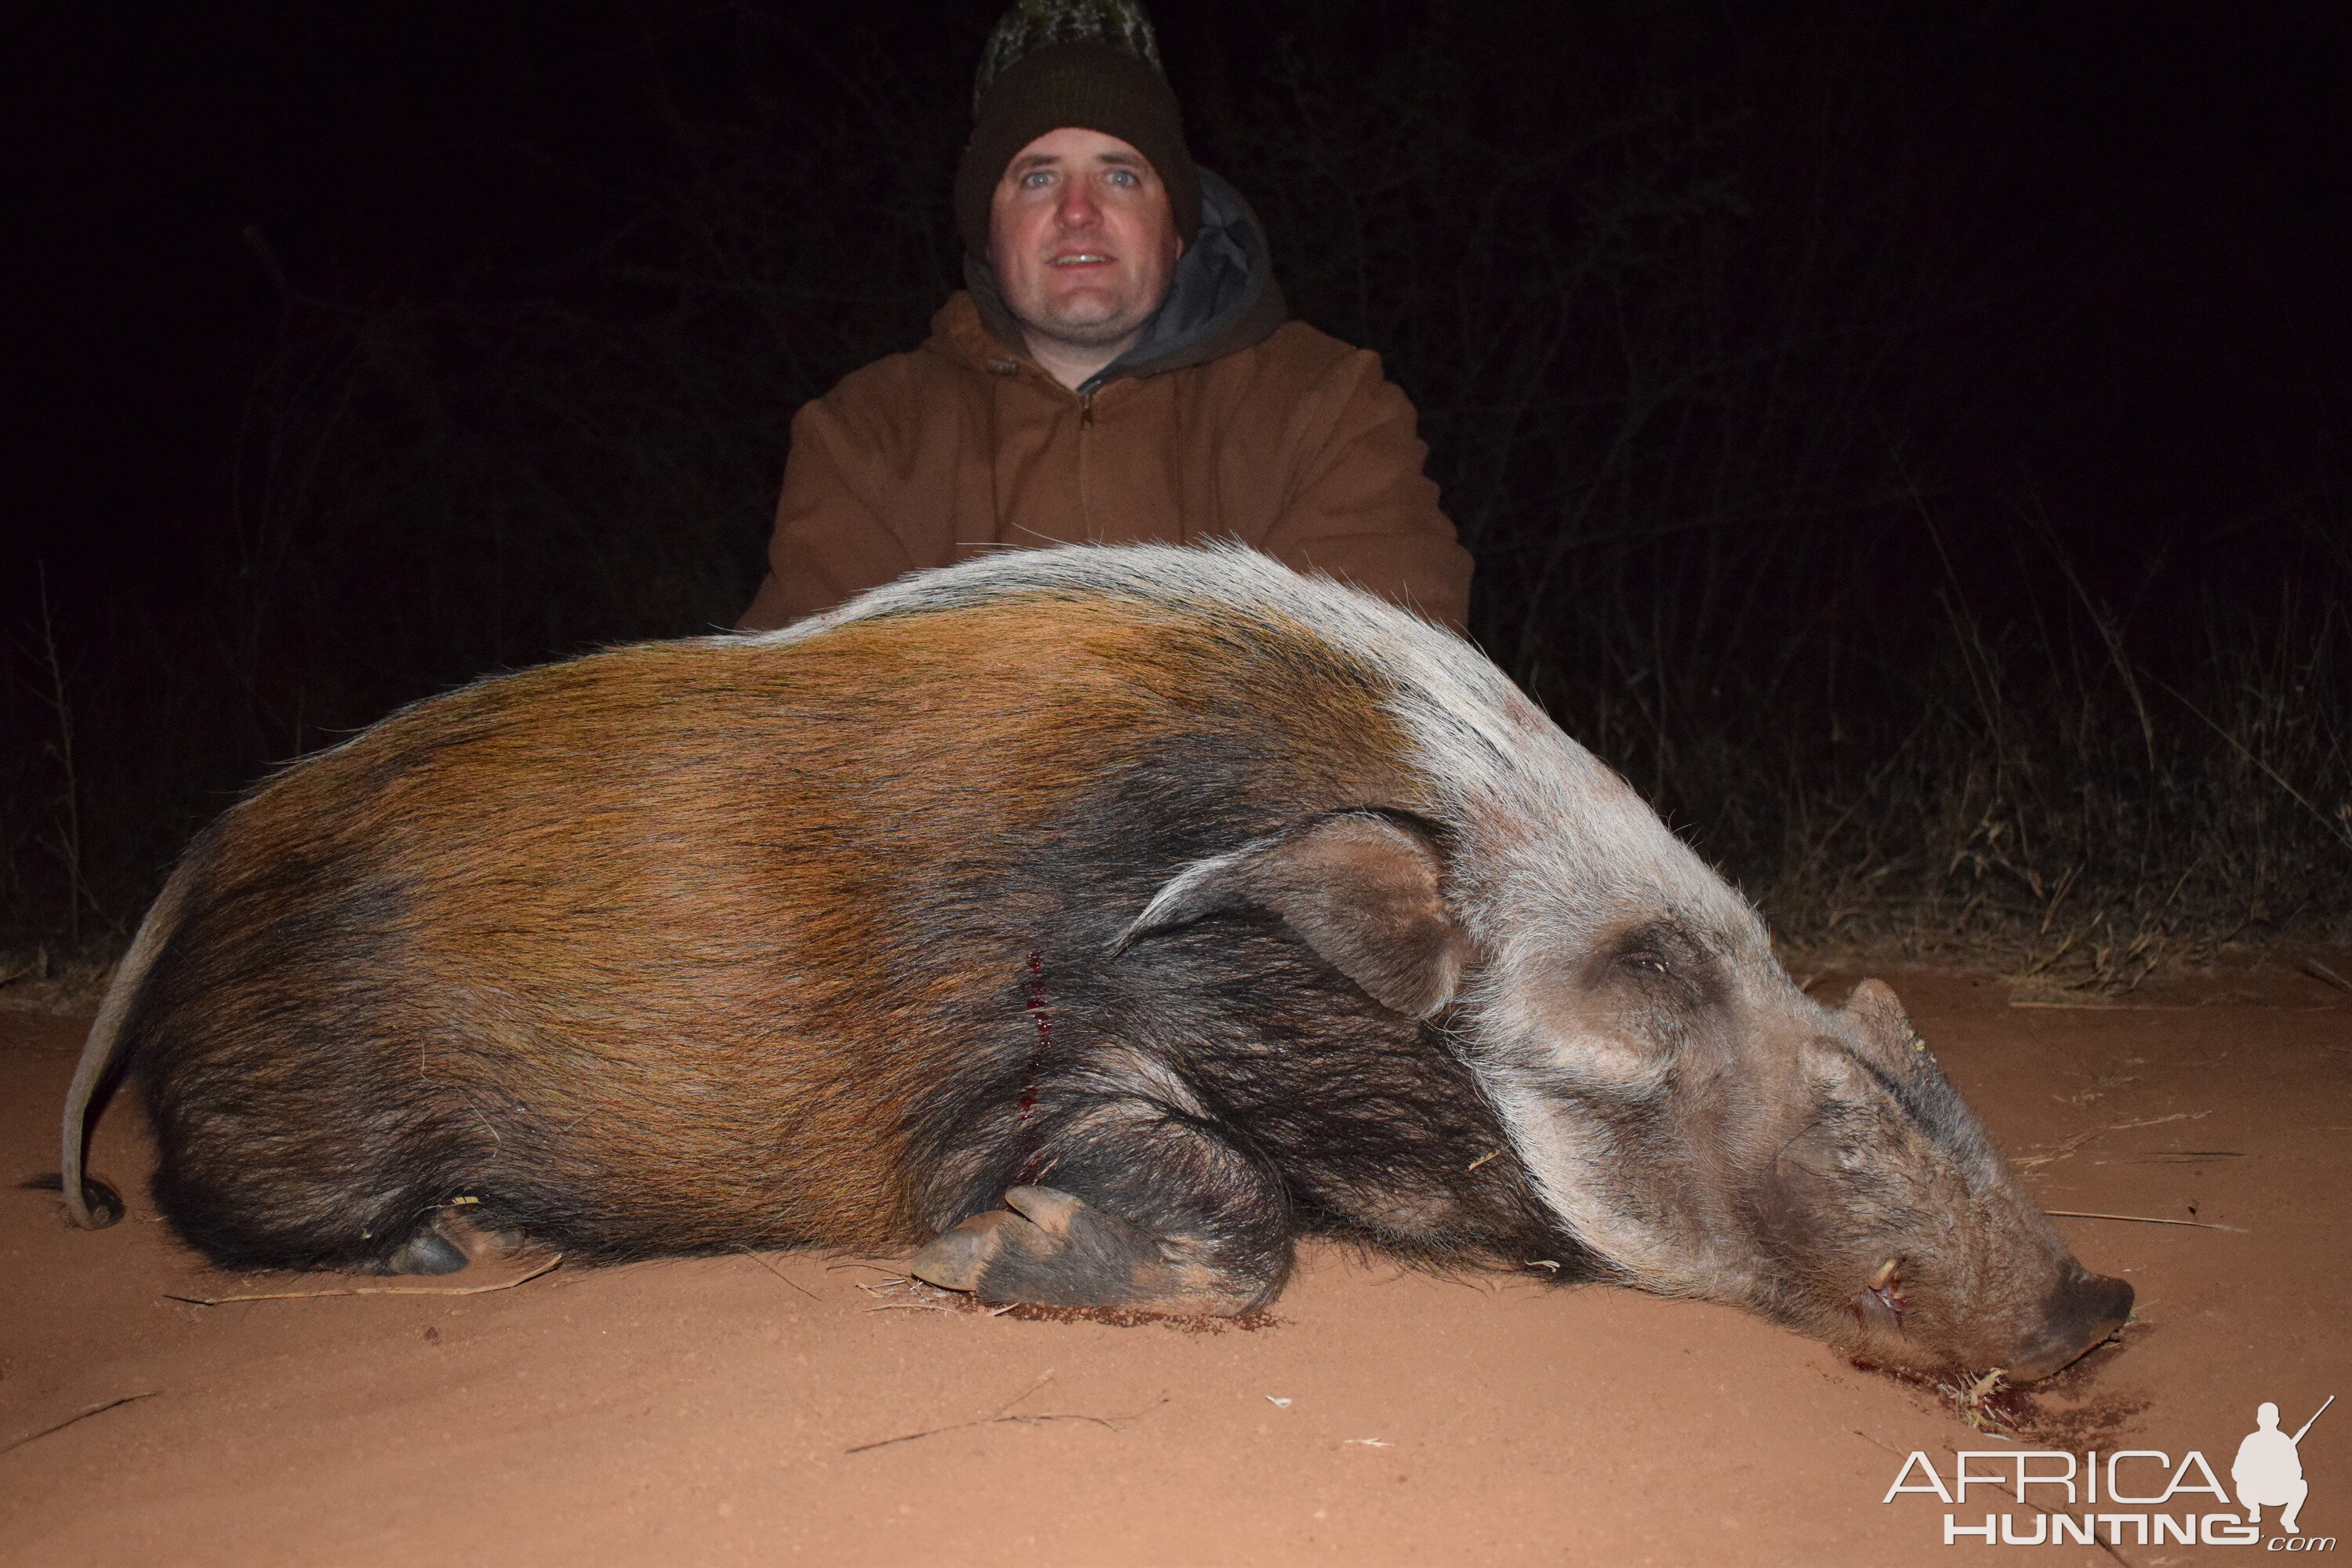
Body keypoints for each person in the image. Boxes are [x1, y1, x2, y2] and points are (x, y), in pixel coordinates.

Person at [736, 1, 1472, 633]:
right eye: (1037, 177)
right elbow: (798, 722)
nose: (1078, 212)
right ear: (987, 235)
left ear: (1177, 227)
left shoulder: (1329, 405)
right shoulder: (867, 434)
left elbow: (1382, 694)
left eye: (1120, 174)